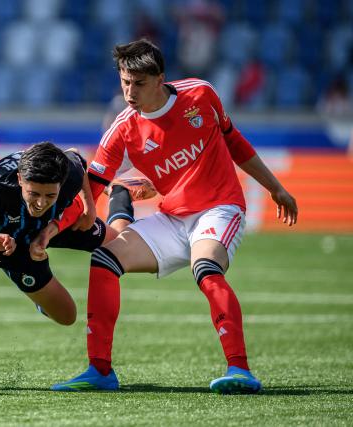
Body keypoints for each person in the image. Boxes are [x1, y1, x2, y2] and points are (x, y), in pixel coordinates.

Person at [51, 39, 298, 394]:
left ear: (159, 78)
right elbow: (88, 187)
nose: (129, 91)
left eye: (138, 83)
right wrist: (49, 229)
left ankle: (240, 369)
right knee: (105, 259)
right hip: (172, 218)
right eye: (124, 82)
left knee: (206, 268)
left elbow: (234, 141)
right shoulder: (122, 128)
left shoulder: (200, 94)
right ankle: (100, 370)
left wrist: (275, 187)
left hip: (219, 207)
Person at [0, 142, 120, 325]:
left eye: (50, 195)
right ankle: (40, 297)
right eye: (34, 193)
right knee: (67, 316)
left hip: (56, 224)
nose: (41, 203)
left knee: (120, 245)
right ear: (20, 179)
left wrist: (89, 208)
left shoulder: (68, 172)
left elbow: (76, 157)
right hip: (14, 244)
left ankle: (122, 193)